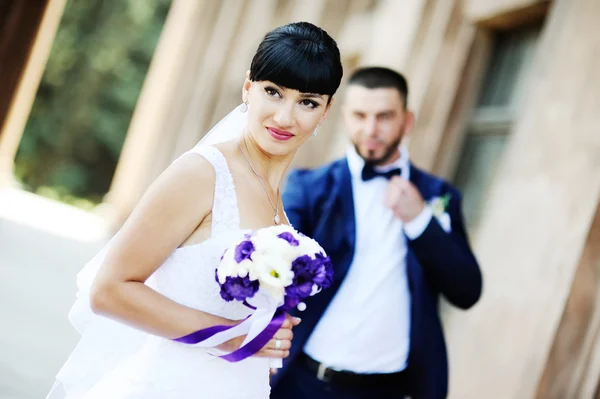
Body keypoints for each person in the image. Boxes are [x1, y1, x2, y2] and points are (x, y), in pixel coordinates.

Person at [46, 21, 343, 399]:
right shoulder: (203, 173)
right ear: (248, 88)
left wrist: (267, 328)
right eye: (273, 92)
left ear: (326, 110)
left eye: (307, 102)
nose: (285, 118)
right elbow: (108, 290)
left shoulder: (278, 205)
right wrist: (234, 336)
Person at [270, 67, 482, 399]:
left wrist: (420, 222)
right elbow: (276, 265)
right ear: (343, 117)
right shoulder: (309, 188)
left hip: (390, 390)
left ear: (406, 121)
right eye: (360, 115)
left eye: (384, 116)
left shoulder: (438, 195)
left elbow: (467, 291)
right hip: (303, 382)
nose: (371, 129)